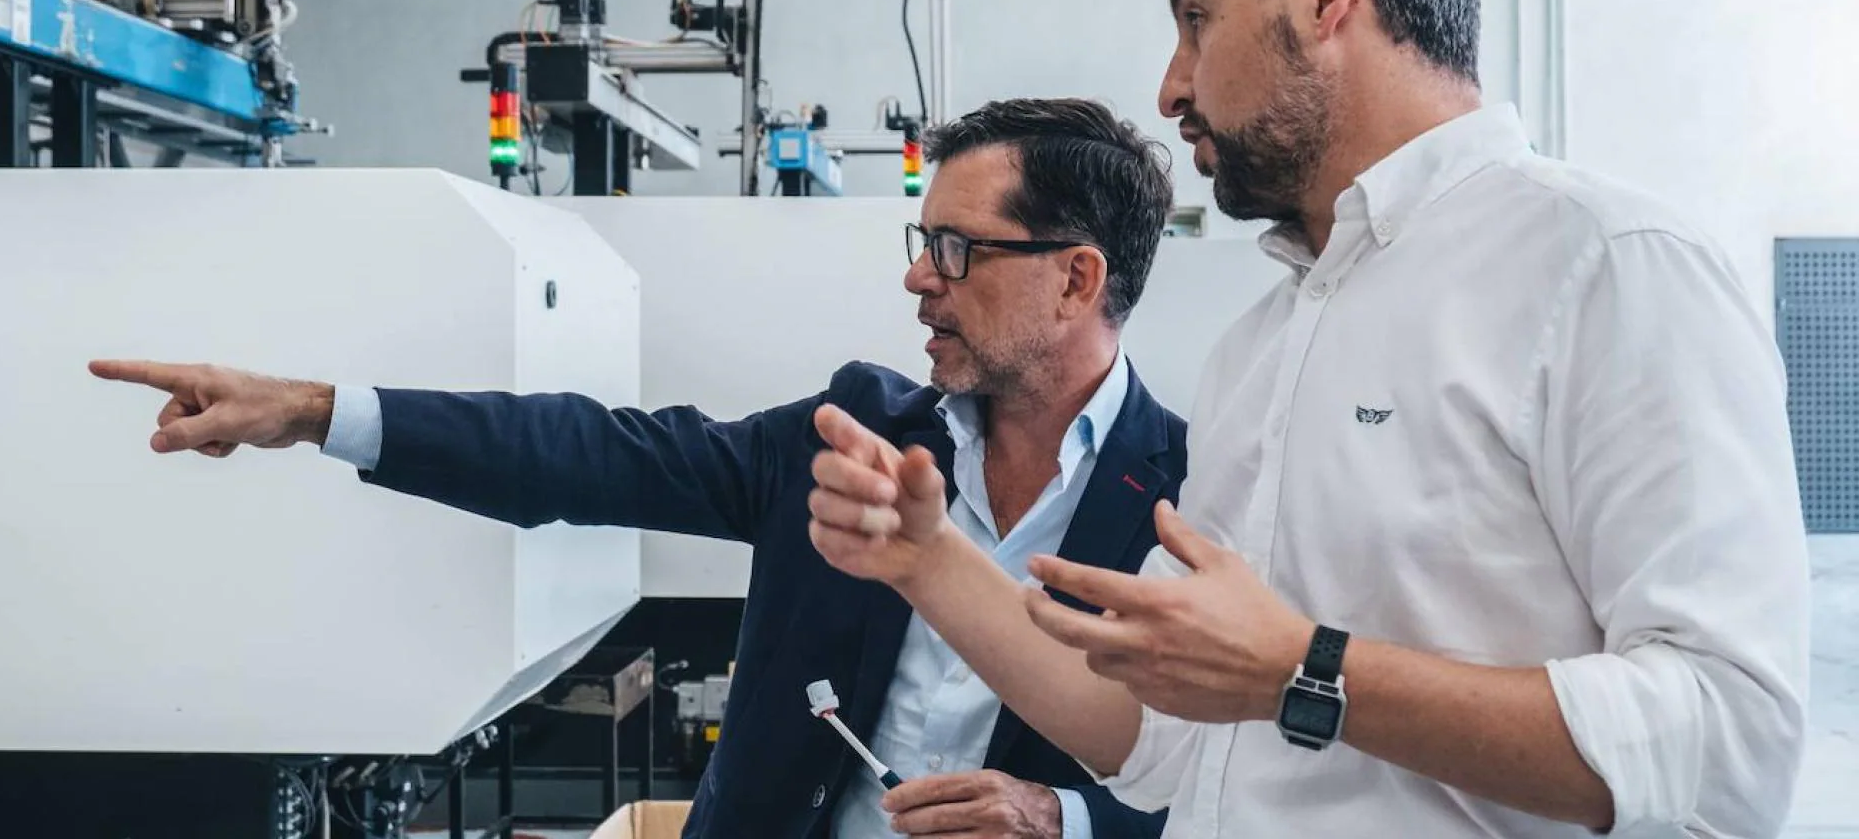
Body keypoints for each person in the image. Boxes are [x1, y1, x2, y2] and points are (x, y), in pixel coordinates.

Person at [808, 0, 1810, 838]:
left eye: (1197, 20)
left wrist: (1307, 669)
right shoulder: (1263, 346)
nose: (1168, 88)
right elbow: (1158, 732)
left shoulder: (1608, 265)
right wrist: (927, 560)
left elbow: (1727, 745)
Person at [91, 97, 1185, 839]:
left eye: (955, 247)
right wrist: (316, 412)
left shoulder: (1190, 494)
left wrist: (1067, 819)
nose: (916, 276)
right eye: (919, 236)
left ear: (1077, 279)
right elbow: (595, 454)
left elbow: (1252, 783)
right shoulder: (856, 430)